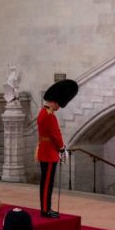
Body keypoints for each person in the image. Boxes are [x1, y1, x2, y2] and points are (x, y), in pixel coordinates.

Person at [36, 79, 77, 218]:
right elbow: (55, 135)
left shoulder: (44, 112)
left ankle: (46, 207)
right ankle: (46, 209)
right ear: (54, 101)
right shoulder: (49, 116)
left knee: (46, 182)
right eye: (59, 103)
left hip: (45, 151)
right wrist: (61, 148)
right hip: (49, 153)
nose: (59, 106)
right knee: (47, 183)